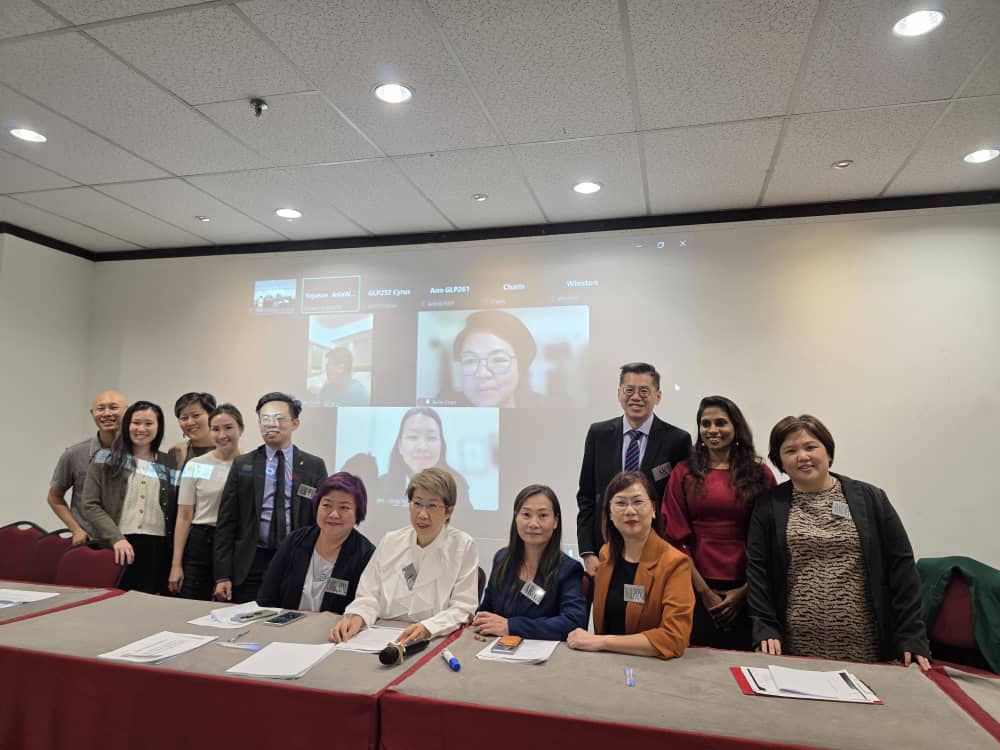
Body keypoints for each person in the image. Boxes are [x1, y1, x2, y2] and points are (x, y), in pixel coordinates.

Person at [746, 414, 931, 670]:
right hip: (791, 647)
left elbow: (902, 567)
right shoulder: (768, 505)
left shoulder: (871, 499)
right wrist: (764, 627)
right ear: (780, 461)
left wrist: (911, 634)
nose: (802, 456)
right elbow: (758, 571)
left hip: (867, 647)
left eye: (810, 447)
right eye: (791, 450)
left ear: (828, 452)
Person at [662, 396, 776, 650]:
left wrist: (744, 591)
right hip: (693, 583)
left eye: (721, 423)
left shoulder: (759, 474)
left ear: (736, 427)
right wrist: (704, 592)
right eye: (706, 424)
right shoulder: (683, 472)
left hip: (748, 586)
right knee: (695, 662)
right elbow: (675, 537)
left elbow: (771, 537)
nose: (712, 430)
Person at [329, 468, 478, 645]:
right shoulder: (391, 541)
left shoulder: (462, 547)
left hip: (434, 638)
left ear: (449, 511)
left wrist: (428, 627)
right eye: (417, 504)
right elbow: (368, 595)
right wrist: (358, 616)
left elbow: (463, 607)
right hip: (379, 635)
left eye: (432, 506)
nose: (422, 514)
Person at [577, 362, 691, 577]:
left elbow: (680, 503)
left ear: (658, 396)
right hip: (604, 549)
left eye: (644, 391)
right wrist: (587, 551)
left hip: (656, 552)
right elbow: (586, 496)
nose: (636, 397)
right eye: (629, 390)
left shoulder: (677, 440)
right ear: (619, 393)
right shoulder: (598, 434)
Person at [213, 392, 328, 603]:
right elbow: (226, 521)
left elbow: (320, 520)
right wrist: (222, 575)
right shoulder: (243, 464)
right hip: (251, 560)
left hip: (295, 558)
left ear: (295, 423)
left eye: (279, 418)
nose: (271, 425)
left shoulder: (314, 466)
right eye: (265, 419)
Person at [568, 471, 693, 658]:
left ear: (653, 509)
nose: (630, 511)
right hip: (607, 664)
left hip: (653, 667)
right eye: (620, 503)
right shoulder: (606, 554)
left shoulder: (675, 563)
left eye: (637, 502)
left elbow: (674, 638)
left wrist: (601, 642)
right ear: (610, 513)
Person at [81, 401, 175, 594]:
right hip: (117, 544)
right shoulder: (104, 458)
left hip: (157, 547)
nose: (141, 429)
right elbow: (90, 504)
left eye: (148, 423)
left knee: (148, 603)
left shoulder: (169, 462)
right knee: (113, 601)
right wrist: (116, 539)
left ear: (158, 427)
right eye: (136, 423)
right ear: (127, 425)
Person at [474, 484, 588, 640]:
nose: (533, 524)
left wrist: (511, 626)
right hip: (497, 647)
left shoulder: (568, 569)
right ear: (516, 518)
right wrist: (481, 623)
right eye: (526, 515)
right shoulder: (502, 559)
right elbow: (485, 611)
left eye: (543, 515)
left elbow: (573, 622)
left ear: (555, 521)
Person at [258, 472, 376, 613]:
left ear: (358, 512)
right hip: (285, 624)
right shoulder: (295, 541)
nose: (333, 514)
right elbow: (266, 597)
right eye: (327, 505)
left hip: (334, 626)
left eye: (344, 507)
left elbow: (364, 608)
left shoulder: (366, 555)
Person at [168, 404, 244, 600]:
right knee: (191, 603)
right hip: (201, 541)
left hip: (236, 542)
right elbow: (184, 516)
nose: (222, 435)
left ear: (241, 429)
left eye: (228, 427)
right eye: (215, 429)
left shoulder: (249, 466)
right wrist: (176, 564)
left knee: (230, 606)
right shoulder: (196, 465)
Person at [47, 390, 128, 545]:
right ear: (92, 413)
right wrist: (76, 529)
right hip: (89, 542)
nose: (107, 413)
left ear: (127, 412)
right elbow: (54, 497)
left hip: (129, 542)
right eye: (100, 409)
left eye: (113, 407)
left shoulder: (140, 453)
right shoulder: (74, 454)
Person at [376, 407, 473, 517]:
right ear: (400, 446)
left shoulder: (456, 484)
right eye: (413, 437)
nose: (423, 447)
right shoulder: (381, 485)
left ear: (441, 445)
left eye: (431, 438)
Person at [451, 309, 541, 408]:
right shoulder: (443, 407)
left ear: (520, 366)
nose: (482, 374)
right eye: (470, 361)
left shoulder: (546, 407)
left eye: (498, 360)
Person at [167, 392, 217, 473]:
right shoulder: (176, 451)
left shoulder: (231, 450)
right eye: (184, 418)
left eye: (196, 415)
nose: (190, 422)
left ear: (212, 415)